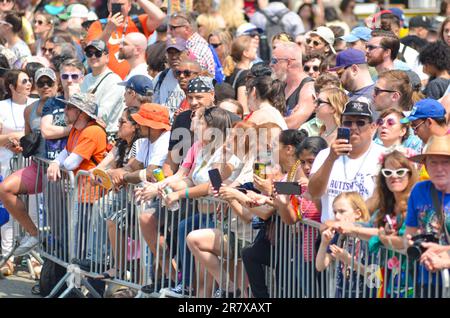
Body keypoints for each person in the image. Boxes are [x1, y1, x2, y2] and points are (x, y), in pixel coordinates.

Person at [0, 68, 58, 256]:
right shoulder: (29, 110)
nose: (45, 87)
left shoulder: (65, 106)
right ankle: (34, 234)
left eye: (49, 83)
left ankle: (59, 264)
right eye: (41, 83)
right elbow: (29, 139)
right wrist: (20, 146)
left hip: (62, 170)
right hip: (38, 166)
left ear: (57, 84)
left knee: (59, 223)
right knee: (5, 189)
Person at [309, 100, 385, 223]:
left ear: (372, 128)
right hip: (331, 233)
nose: (354, 127)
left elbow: (381, 199)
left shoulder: (383, 157)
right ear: (341, 126)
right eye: (348, 123)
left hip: (363, 235)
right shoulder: (325, 155)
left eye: (360, 123)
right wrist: (331, 159)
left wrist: (352, 225)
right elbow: (314, 193)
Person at [405, 134, 450, 297]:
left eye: (446, 162)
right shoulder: (419, 191)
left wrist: (444, 254)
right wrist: (412, 243)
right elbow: (409, 233)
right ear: (425, 165)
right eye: (433, 162)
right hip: (425, 281)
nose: (439, 168)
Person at [86, 0, 166, 79]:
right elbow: (92, 50)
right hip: (108, 82)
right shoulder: (99, 25)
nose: (118, 8)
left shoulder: (137, 23)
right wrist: (108, 30)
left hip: (136, 80)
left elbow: (160, 17)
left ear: (129, 6)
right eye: (114, 5)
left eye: (121, 4)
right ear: (108, 6)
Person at [316, 192, 370, 298]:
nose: (337, 216)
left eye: (342, 211)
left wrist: (349, 261)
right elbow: (320, 266)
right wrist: (324, 243)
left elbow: (375, 276)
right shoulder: (339, 235)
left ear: (358, 213)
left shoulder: (367, 238)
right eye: (335, 212)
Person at [41, 59, 85, 162]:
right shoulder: (52, 102)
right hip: (52, 160)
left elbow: (85, 130)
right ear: (60, 78)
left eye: (74, 76)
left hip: (75, 163)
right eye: (65, 76)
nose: (69, 80)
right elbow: (46, 132)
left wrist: (73, 98)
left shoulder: (89, 102)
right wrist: (72, 129)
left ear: (82, 79)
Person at [80, 40, 125, 137]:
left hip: (107, 135)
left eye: (98, 53)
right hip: (88, 132)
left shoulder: (114, 80)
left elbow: (103, 114)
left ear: (107, 57)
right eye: (89, 53)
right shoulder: (86, 78)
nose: (93, 57)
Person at [270, 42, 315, 129]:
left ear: (288, 63)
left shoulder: (308, 88)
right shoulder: (280, 86)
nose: (271, 64)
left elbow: (293, 123)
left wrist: (267, 123)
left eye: (274, 61)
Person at [168, 12, 215, 77]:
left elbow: (194, 77)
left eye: (173, 28)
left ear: (186, 29)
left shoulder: (197, 48)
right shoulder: (188, 45)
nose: (169, 32)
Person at [153, 37, 186, 121]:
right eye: (171, 53)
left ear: (187, 53)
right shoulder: (161, 77)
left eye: (178, 53)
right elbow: (154, 104)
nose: (174, 57)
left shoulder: (193, 77)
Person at [224, 36, 258, 114]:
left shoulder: (232, 71)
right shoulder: (245, 75)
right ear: (245, 53)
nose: (256, 49)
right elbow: (243, 109)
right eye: (253, 47)